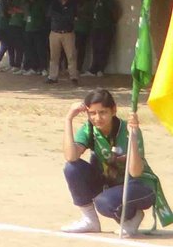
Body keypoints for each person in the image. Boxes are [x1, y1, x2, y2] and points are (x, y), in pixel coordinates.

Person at [61, 89, 171, 235]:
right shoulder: (90, 129)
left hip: (138, 185)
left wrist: (133, 136)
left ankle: (133, 216)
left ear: (113, 110)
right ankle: (90, 220)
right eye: (92, 113)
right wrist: (68, 119)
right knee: (72, 168)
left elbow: (136, 172)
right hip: (110, 182)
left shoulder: (128, 130)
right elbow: (71, 156)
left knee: (104, 202)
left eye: (103, 112)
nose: (97, 118)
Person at [46, 0, 81, 85]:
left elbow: (73, 16)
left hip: (68, 33)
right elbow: (50, 15)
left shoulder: (72, 3)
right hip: (55, 32)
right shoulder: (54, 3)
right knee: (54, 56)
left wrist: (62, 16)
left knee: (71, 55)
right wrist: (65, 16)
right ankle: (52, 77)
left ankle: (74, 77)